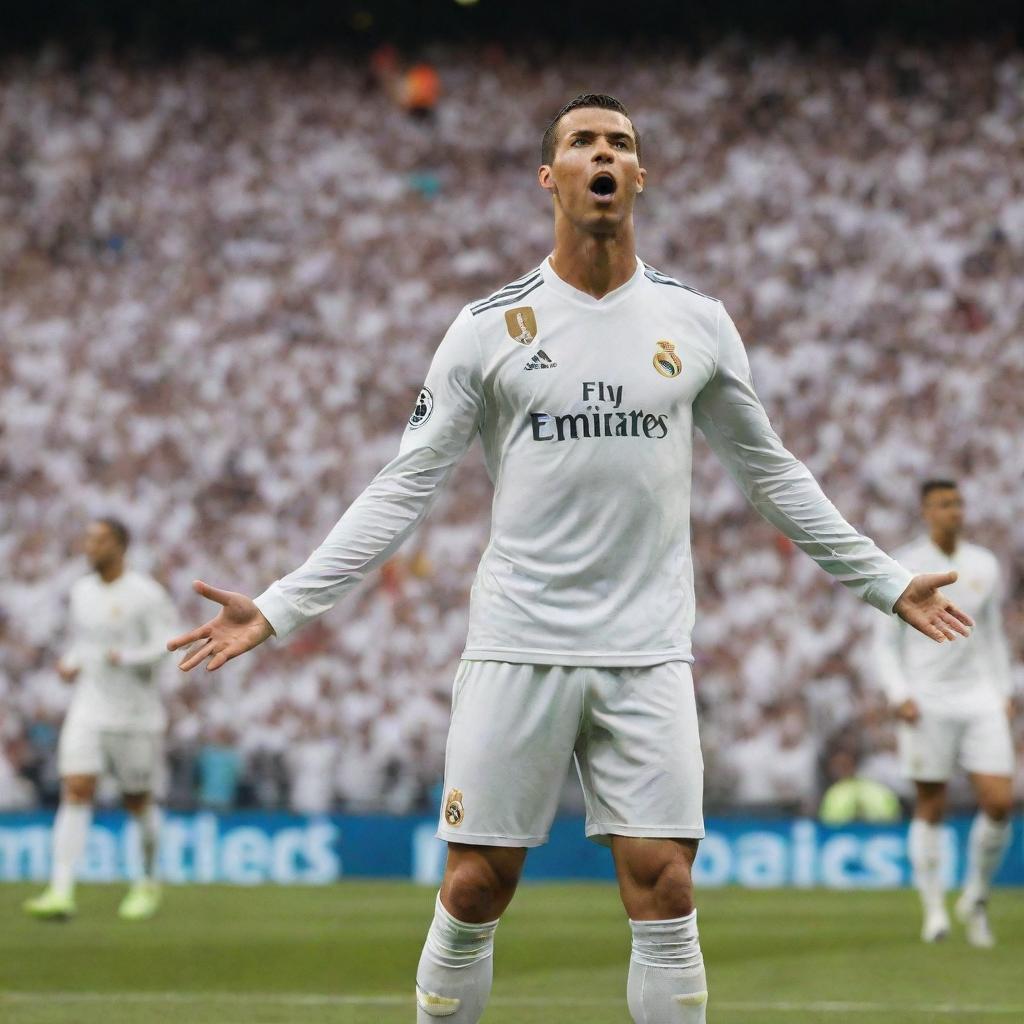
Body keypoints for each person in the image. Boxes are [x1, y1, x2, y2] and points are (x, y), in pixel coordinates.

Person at [169, 95, 973, 1023]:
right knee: (475, 885)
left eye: (620, 144)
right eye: (584, 141)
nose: (604, 153)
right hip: (518, 642)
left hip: (648, 650)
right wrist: (278, 605)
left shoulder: (697, 321)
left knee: (666, 883)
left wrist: (883, 578)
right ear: (550, 177)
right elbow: (403, 486)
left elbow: (771, 473)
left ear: (640, 176)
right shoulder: (485, 329)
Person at [874, 479, 1016, 947]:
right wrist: (899, 694)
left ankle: (974, 896)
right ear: (925, 512)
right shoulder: (902, 564)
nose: (953, 510)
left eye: (957, 502)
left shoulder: (984, 565)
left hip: (979, 697)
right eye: (942, 504)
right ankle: (933, 910)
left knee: (998, 802)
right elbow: (884, 642)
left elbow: (993, 633)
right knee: (930, 803)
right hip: (927, 698)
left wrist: (1004, 689)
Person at [24, 518, 176, 922]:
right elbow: (84, 641)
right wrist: (72, 662)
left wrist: (124, 658)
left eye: (99, 540)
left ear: (120, 546)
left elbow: (168, 644)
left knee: (137, 801)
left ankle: (146, 882)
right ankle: (60, 891)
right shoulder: (81, 592)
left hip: (135, 716)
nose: (89, 547)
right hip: (88, 708)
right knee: (75, 788)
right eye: (87, 539)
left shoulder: (146, 595)